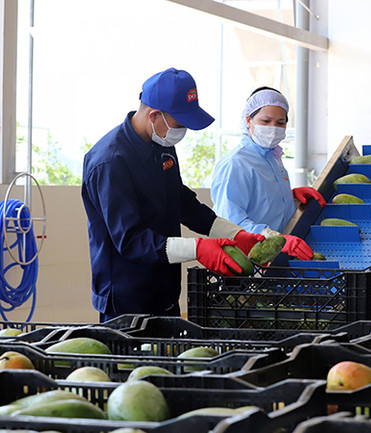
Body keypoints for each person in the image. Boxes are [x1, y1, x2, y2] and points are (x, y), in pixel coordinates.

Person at [82, 68, 265, 322]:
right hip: (126, 300)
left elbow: (181, 202)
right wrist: (198, 249)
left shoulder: (161, 144)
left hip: (165, 289)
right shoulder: (110, 163)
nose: (182, 133)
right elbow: (131, 240)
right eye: (180, 125)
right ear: (154, 115)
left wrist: (234, 234)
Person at [210, 87, 323, 260]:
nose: (273, 128)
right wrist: (275, 239)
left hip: (277, 256)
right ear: (248, 120)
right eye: (266, 121)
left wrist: (291, 197)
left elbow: (260, 202)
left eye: (280, 123)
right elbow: (230, 222)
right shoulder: (236, 163)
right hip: (248, 261)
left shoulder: (273, 157)